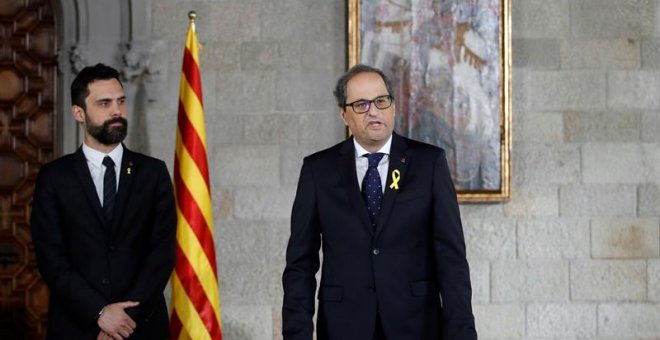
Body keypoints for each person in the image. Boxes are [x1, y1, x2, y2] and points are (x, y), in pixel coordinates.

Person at [282, 64, 477, 339]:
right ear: (343, 114)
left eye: (381, 101)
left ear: (393, 107)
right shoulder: (318, 170)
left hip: (416, 325)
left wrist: (462, 333)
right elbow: (300, 264)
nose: (373, 111)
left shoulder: (429, 163)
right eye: (360, 104)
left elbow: (451, 259)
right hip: (344, 327)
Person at [30, 63, 176, 339]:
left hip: (142, 327)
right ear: (79, 113)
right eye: (104, 103)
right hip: (77, 327)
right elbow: (52, 259)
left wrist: (122, 320)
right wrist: (100, 312)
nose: (117, 110)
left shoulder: (153, 173)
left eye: (120, 101)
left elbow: (161, 254)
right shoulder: (54, 178)